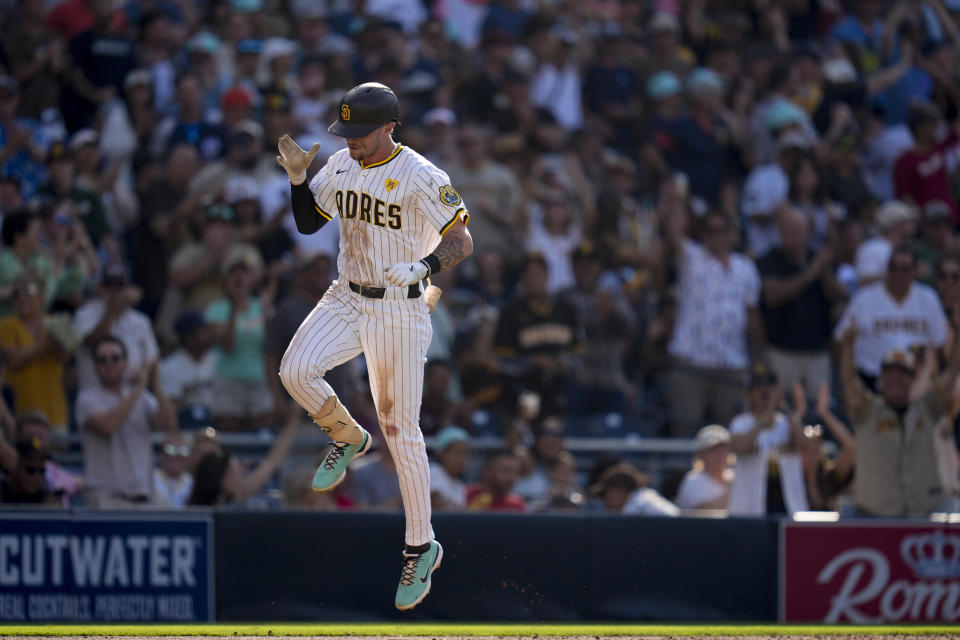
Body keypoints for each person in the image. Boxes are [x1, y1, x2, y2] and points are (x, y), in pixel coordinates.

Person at [275, 82, 473, 610]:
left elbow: (463, 240)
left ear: (389, 127)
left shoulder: (422, 175)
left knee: (400, 430)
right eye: (347, 132)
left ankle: (419, 546)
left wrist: (426, 267)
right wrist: (298, 179)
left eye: (360, 133)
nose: (351, 141)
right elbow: (307, 221)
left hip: (399, 306)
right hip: (346, 294)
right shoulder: (340, 164)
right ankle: (346, 436)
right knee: (295, 371)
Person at [840, 318, 960, 517]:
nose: (895, 379)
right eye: (890, 373)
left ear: (912, 378)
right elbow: (849, 381)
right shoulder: (867, 410)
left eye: (902, 374)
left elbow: (953, 371)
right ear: (881, 378)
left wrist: (958, 330)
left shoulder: (927, 407)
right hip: (875, 515)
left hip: (923, 514)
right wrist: (848, 347)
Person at [76, 335, 176, 508]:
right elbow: (108, 426)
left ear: (125, 362)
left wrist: (156, 385)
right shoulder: (87, 399)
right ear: (95, 366)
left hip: (144, 498)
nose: (109, 364)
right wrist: (139, 388)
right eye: (102, 360)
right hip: (105, 499)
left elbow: (169, 427)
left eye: (115, 358)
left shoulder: (143, 398)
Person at [834, 246, 948, 390]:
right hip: (871, 379)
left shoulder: (928, 297)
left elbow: (939, 344)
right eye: (893, 268)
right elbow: (840, 339)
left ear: (914, 271)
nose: (898, 274)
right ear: (887, 270)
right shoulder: (864, 298)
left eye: (905, 269)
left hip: (917, 380)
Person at [728, 363, 809, 516]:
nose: (765, 391)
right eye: (758, 386)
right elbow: (739, 447)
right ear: (750, 393)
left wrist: (790, 409)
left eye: (770, 386)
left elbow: (805, 444)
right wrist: (760, 424)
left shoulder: (787, 422)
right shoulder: (741, 422)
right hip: (750, 507)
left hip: (787, 505)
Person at [0, 275, 70, 432]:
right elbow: (12, 361)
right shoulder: (6, 325)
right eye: (17, 293)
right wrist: (44, 347)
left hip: (55, 414)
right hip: (20, 415)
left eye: (29, 291)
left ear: (42, 296)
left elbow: (65, 356)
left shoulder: (57, 322)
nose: (22, 297)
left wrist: (56, 345)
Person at [675, 424, 734, 511]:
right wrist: (733, 492)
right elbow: (702, 512)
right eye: (713, 450)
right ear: (701, 454)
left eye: (723, 449)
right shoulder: (693, 480)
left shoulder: (735, 477)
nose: (720, 455)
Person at [429, 425, 471, 510]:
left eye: (465, 454)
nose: (462, 459)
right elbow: (434, 499)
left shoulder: (460, 485)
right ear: (441, 453)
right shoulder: (433, 471)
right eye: (457, 452)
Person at [153, 432, 193, 509]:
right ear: (161, 456)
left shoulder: (192, 482)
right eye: (171, 450)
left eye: (183, 452)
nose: (177, 456)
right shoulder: (151, 479)